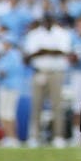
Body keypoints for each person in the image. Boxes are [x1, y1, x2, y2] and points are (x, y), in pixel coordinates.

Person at [23, 14, 72, 147]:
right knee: (36, 105)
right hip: (39, 71)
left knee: (57, 105)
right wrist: (46, 51)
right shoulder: (34, 34)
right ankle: (34, 136)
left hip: (56, 72)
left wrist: (43, 51)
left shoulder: (61, 33)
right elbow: (28, 55)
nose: (48, 23)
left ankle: (58, 136)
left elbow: (64, 51)